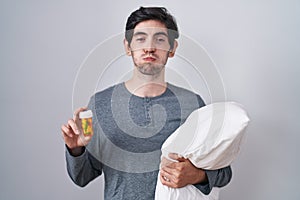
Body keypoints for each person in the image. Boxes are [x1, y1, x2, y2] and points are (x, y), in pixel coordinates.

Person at [61, 7, 232, 200]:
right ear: (128, 47)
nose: (149, 48)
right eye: (141, 39)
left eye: (159, 39)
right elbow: (82, 177)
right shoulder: (100, 104)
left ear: (172, 48)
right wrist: (76, 149)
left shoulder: (193, 104)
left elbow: (224, 173)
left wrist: (197, 175)